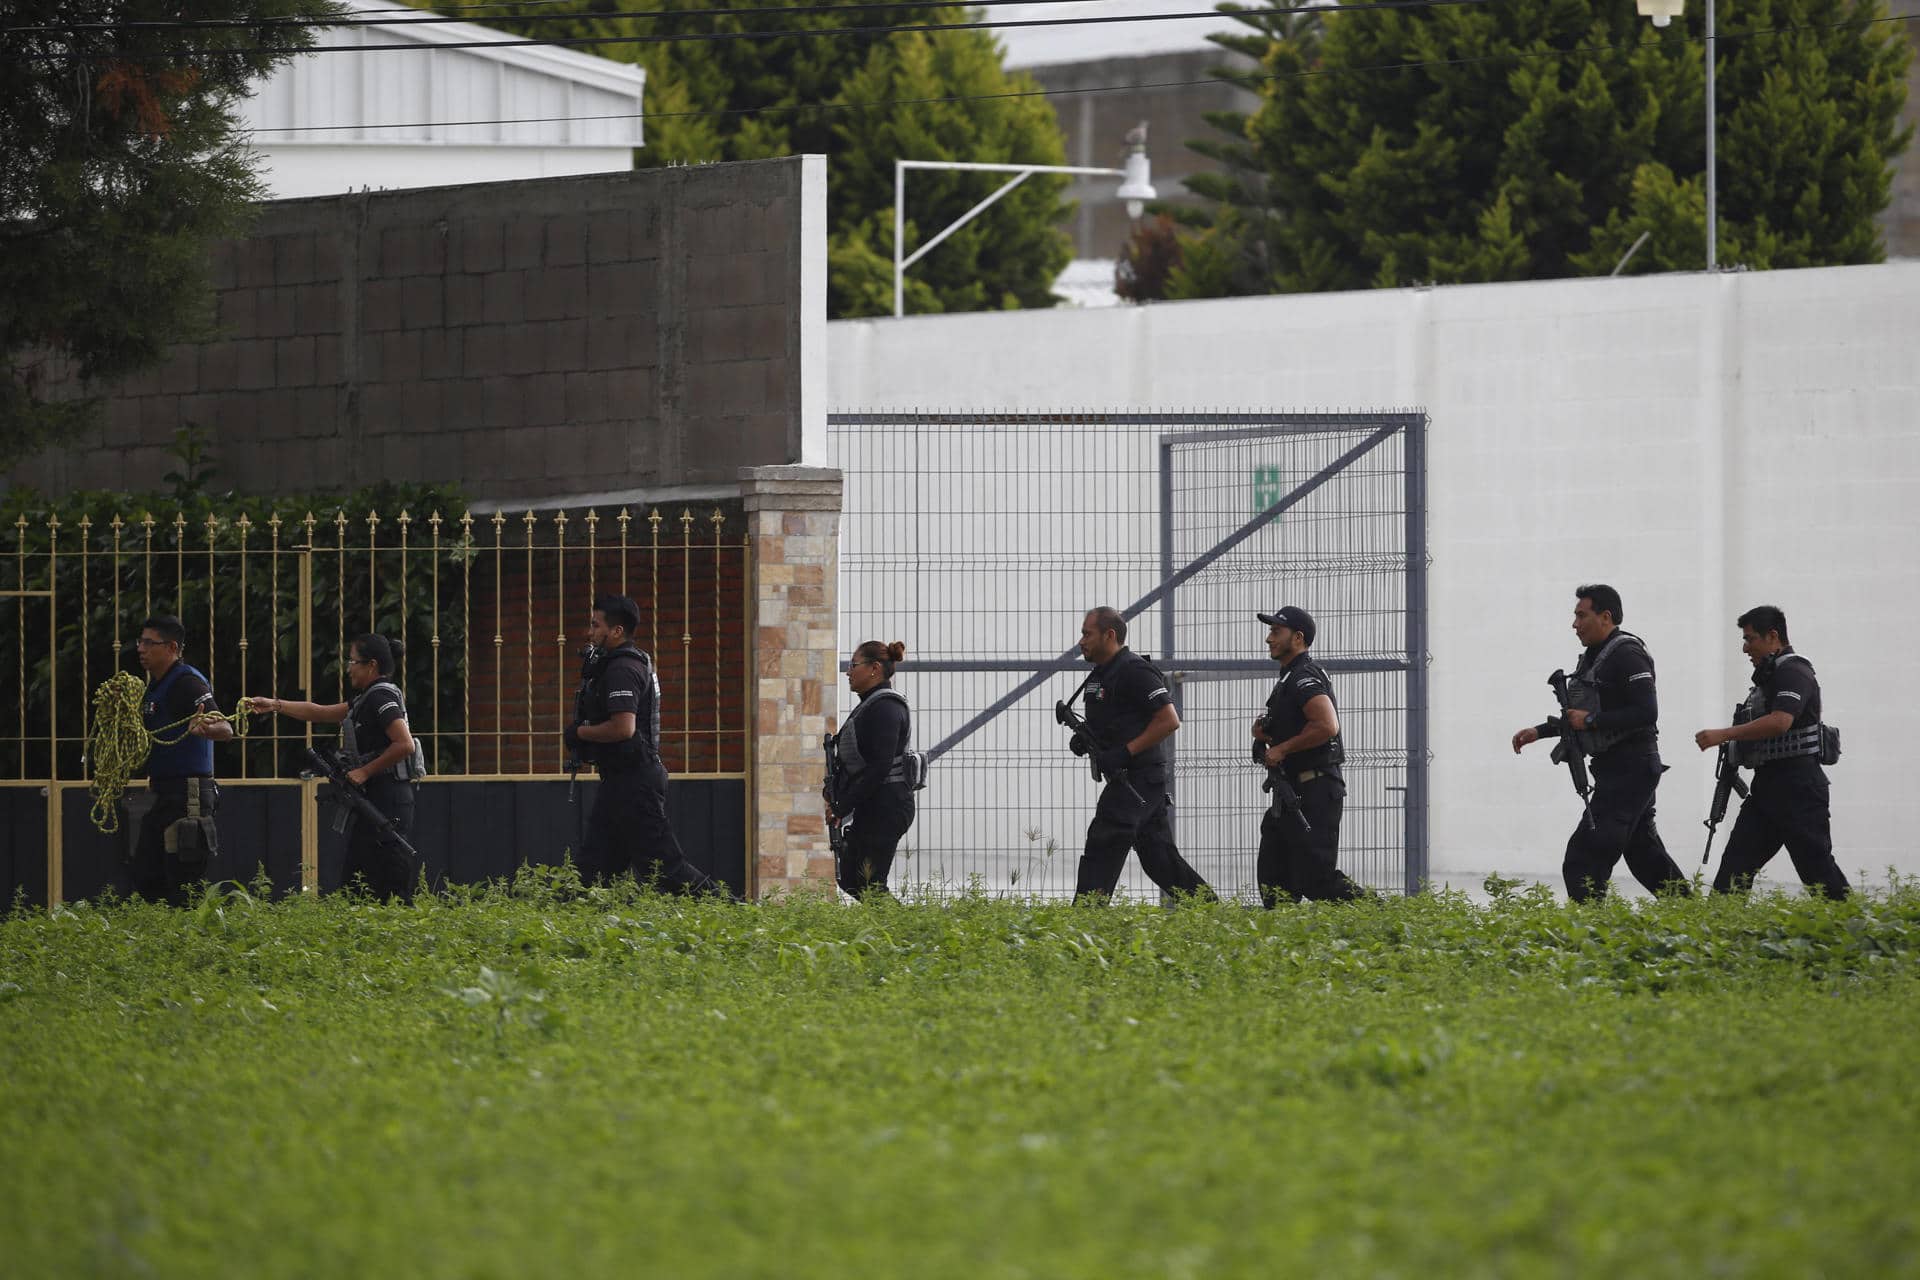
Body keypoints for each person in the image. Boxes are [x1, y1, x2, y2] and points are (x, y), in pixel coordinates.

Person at [1511, 584, 1690, 902]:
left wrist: (1592, 722)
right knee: (1644, 855)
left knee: (1583, 859)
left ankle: (1590, 939)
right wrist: (1540, 731)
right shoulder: (1596, 657)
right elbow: (1580, 714)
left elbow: (1646, 712)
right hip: (1617, 769)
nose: (1575, 624)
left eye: (1582, 615)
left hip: (1630, 769)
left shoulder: (1627, 654)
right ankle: (1694, 917)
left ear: (1605, 616)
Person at [563, 594, 717, 895]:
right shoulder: (621, 664)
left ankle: (734, 913)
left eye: (596, 625)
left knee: (666, 870)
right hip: (620, 782)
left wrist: (580, 733)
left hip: (635, 783)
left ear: (617, 631)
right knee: (592, 873)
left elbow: (623, 728)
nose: (589, 632)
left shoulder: (623, 668)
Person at [250, 633, 424, 899]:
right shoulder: (365, 699)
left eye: (353, 661)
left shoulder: (380, 697)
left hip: (388, 800)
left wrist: (364, 771)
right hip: (375, 799)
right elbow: (319, 712)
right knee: (358, 885)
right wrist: (274, 705)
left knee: (388, 884)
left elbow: (404, 744)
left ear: (372, 665)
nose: (349, 669)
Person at [1695, 605, 1849, 899]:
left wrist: (1723, 735)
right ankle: (1719, 938)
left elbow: (1781, 721)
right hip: (1768, 788)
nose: (1745, 648)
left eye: (1750, 639)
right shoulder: (1770, 677)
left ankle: (1855, 932)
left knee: (1817, 871)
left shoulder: (1794, 671)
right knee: (1734, 872)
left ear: (1773, 636)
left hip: (1799, 787)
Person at [1067, 606, 1214, 903]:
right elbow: (1115, 722)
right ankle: (1210, 909)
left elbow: (1169, 720)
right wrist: (1086, 740)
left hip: (1137, 780)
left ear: (1109, 635)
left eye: (1087, 633)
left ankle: (1084, 919)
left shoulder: (1134, 670)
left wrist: (1124, 753)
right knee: (1159, 859)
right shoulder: (1100, 675)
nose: (1081, 641)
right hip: (1130, 780)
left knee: (1104, 840)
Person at [1251, 607, 1366, 904]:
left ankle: (1381, 917)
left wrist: (1282, 748)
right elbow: (1301, 725)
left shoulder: (1304, 676)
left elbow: (1327, 725)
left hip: (1314, 792)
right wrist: (1267, 735)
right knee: (1274, 881)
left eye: (1276, 632)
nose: (1269, 638)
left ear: (1298, 638)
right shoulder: (1289, 678)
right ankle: (1278, 942)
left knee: (1318, 881)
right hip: (1291, 793)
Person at [131, 614, 233, 905]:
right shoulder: (153, 686)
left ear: (172, 647)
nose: (141, 649)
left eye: (149, 643)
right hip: (165, 792)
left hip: (189, 794)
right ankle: (167, 940)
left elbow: (226, 729)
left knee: (184, 878)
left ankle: (193, 940)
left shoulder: (186, 683)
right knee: (147, 874)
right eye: (140, 642)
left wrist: (206, 727)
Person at [823, 640, 916, 899]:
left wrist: (842, 805)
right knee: (851, 877)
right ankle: (893, 935)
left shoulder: (886, 708)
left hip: (889, 807)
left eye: (853, 665)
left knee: (869, 883)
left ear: (875, 668)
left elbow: (879, 767)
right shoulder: (870, 705)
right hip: (873, 806)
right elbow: (858, 764)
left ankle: (908, 936)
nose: (848, 672)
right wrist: (835, 795)